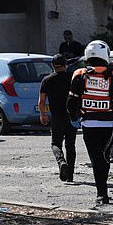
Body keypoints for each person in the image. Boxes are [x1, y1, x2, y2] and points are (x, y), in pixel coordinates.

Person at [67, 40, 113, 206]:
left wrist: (74, 119)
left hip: (88, 125)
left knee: (96, 159)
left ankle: (101, 193)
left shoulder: (79, 74)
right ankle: (102, 192)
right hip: (109, 125)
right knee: (104, 157)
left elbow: (71, 102)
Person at [38, 54, 77, 182]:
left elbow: (41, 101)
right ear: (66, 65)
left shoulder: (47, 80)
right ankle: (70, 175)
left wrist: (43, 114)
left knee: (56, 143)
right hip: (72, 116)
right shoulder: (72, 78)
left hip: (56, 117)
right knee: (70, 145)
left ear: (52, 66)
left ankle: (61, 161)